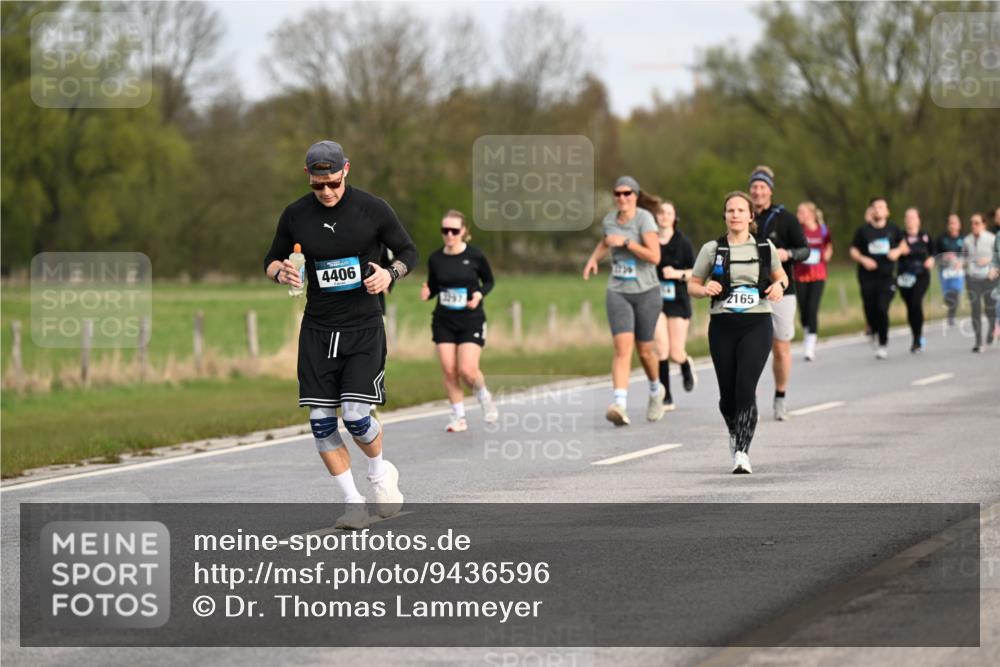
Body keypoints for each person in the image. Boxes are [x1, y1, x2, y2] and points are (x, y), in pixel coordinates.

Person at [264, 140, 417, 530]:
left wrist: (390, 273)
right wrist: (280, 271)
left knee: (355, 415)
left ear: (346, 170)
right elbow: (271, 259)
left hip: (363, 326)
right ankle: (353, 503)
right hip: (317, 328)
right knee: (320, 421)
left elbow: (407, 251)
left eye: (333, 182)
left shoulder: (372, 208)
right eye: (319, 185)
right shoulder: (295, 214)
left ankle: (380, 473)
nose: (327, 192)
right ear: (308, 178)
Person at [689, 191, 787, 474]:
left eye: (740, 210)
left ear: (750, 216)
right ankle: (734, 428)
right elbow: (693, 284)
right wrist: (704, 289)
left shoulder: (764, 247)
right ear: (725, 216)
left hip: (757, 322)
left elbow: (781, 276)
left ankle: (742, 452)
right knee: (727, 396)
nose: (735, 215)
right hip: (722, 325)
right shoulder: (712, 249)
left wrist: (779, 286)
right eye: (730, 211)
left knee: (746, 387)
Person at [583, 176, 664, 426]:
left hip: (647, 291)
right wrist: (594, 259)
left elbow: (655, 257)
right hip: (618, 290)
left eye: (627, 193)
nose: (622, 198)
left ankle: (655, 390)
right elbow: (606, 241)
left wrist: (627, 243)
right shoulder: (609, 220)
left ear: (636, 195)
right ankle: (619, 403)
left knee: (645, 350)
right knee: (622, 347)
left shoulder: (644, 219)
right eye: (617, 194)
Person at [420, 210, 498, 432]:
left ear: (464, 231)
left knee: (468, 370)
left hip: (471, 319)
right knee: (449, 369)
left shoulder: (475, 256)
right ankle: (459, 417)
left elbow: (489, 281)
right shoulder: (436, 258)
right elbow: (435, 286)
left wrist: (479, 294)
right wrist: (428, 292)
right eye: (445, 231)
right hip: (444, 319)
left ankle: (484, 396)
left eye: (454, 231)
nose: (450, 235)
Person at [747, 166, 809, 421]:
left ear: (770, 190)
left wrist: (788, 254)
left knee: (781, 348)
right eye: (754, 187)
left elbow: (805, 250)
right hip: (750, 290)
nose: (758, 191)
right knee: (749, 347)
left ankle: (780, 396)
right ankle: (747, 400)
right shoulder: (743, 215)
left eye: (762, 187)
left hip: (782, 289)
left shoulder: (786, 218)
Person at [849, 197, 908, 360]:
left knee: (882, 308)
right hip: (866, 276)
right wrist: (863, 259)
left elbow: (904, 245)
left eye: (881, 207)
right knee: (869, 308)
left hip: (886, 276)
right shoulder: (863, 231)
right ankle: (873, 329)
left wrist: (896, 252)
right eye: (875, 207)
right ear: (871, 211)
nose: (878, 210)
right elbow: (853, 250)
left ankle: (883, 343)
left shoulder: (893, 229)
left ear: (887, 211)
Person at [652, 199, 697, 410]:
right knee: (661, 348)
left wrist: (677, 274)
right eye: (660, 212)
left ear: (674, 217)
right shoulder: (649, 241)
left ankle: (685, 364)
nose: (664, 216)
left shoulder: (683, 243)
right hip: (655, 301)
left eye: (668, 213)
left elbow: (696, 275)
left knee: (675, 352)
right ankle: (666, 396)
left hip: (678, 300)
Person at [793, 202, 833, 361]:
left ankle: (810, 346)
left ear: (810, 214)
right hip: (800, 273)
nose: (798, 214)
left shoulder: (822, 229)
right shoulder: (797, 230)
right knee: (803, 311)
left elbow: (829, 245)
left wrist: (828, 254)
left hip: (818, 273)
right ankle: (806, 330)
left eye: (801, 212)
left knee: (812, 308)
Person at [896, 207, 935, 353]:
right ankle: (915, 335)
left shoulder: (925, 236)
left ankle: (918, 338)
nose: (910, 220)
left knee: (916, 302)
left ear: (918, 220)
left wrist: (931, 259)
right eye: (908, 217)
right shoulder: (899, 237)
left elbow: (934, 251)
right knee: (910, 306)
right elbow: (893, 251)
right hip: (904, 276)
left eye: (913, 217)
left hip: (921, 275)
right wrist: (900, 249)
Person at [963, 212, 998, 352]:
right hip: (973, 279)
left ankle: (991, 329)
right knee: (975, 310)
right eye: (972, 223)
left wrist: (989, 261)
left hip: (990, 278)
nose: (974, 226)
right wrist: (961, 263)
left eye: (977, 223)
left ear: (983, 224)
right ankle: (978, 342)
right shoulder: (967, 240)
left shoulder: (992, 238)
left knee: (990, 308)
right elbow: (964, 257)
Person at [936, 214, 965, 327]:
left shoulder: (963, 239)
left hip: (958, 271)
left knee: (956, 292)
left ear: (959, 225)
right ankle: (950, 308)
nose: (953, 226)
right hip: (945, 271)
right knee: (948, 295)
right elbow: (934, 254)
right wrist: (943, 257)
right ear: (948, 225)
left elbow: (968, 255)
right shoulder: (941, 239)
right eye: (951, 223)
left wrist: (961, 261)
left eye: (955, 223)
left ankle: (951, 316)